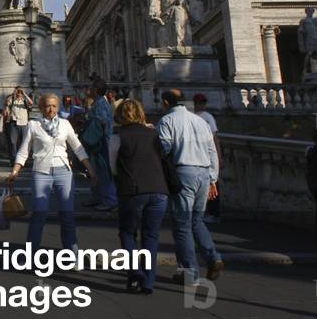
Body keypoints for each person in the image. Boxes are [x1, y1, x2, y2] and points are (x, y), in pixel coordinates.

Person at [8, 93, 96, 252]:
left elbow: (78, 148)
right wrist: (15, 172)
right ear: (42, 107)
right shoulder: (33, 125)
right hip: (41, 172)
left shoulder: (65, 124)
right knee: (39, 214)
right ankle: (30, 255)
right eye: (48, 106)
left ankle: (72, 254)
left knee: (67, 215)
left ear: (58, 107)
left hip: (63, 172)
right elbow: (23, 151)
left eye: (54, 106)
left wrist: (90, 170)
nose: (51, 109)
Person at [156, 89, 222, 285]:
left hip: (184, 172)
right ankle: (213, 257)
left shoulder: (167, 121)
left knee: (182, 224)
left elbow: (164, 149)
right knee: (197, 220)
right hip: (204, 173)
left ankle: (189, 272)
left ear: (166, 102)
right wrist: (213, 178)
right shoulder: (200, 121)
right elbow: (212, 151)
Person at [108, 99, 168, 294]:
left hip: (132, 190)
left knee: (128, 232)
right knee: (151, 236)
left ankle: (135, 271)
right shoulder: (154, 133)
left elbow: (113, 168)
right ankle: (149, 282)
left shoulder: (117, 137)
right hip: (159, 188)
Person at [82, 82, 118, 211]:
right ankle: (97, 197)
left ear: (96, 90)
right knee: (95, 171)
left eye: (91, 87)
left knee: (103, 172)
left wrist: (88, 124)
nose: (88, 89)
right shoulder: (98, 103)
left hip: (101, 143)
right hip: (99, 142)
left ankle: (109, 200)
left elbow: (102, 122)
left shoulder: (101, 104)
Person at [193, 93, 221, 224]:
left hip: (208, 155)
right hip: (198, 155)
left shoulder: (208, 117)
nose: (202, 105)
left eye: (203, 102)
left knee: (213, 185)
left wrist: (218, 156)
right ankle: (205, 211)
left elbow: (215, 138)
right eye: (200, 102)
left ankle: (214, 212)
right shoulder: (193, 116)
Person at [4, 86, 33, 163]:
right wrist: (13, 93)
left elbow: (31, 103)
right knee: (13, 142)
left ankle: (22, 160)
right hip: (14, 123)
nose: (19, 93)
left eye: (20, 92)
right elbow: (6, 102)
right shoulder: (12, 100)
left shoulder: (24, 101)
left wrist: (24, 94)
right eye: (18, 91)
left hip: (23, 124)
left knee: (23, 143)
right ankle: (13, 160)